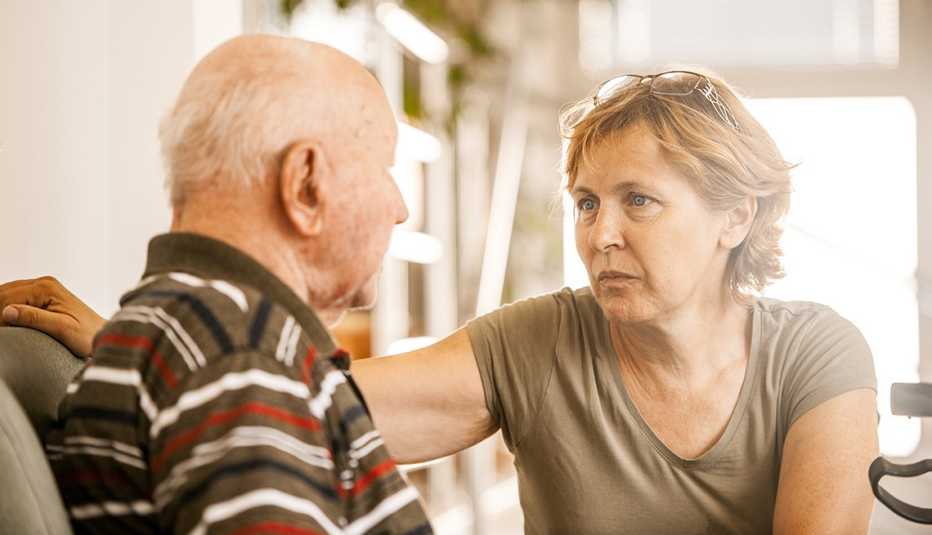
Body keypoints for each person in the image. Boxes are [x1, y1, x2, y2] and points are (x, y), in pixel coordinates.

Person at [1, 70, 878, 534]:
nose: (599, 232)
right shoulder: (538, 340)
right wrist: (138, 335)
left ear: (735, 215)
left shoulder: (820, 354)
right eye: (585, 202)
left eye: (638, 201)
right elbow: (316, 399)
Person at [1, 35, 433, 534]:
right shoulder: (239, 360)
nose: (401, 210)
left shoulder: (214, 343)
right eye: (384, 167)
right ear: (305, 184)